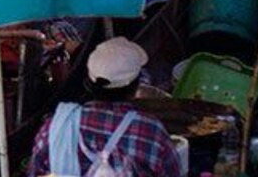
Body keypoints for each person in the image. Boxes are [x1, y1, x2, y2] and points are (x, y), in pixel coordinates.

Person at [27, 37, 183, 177]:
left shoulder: (55, 126)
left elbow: (34, 171)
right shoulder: (150, 130)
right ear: (135, 87)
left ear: (88, 83)